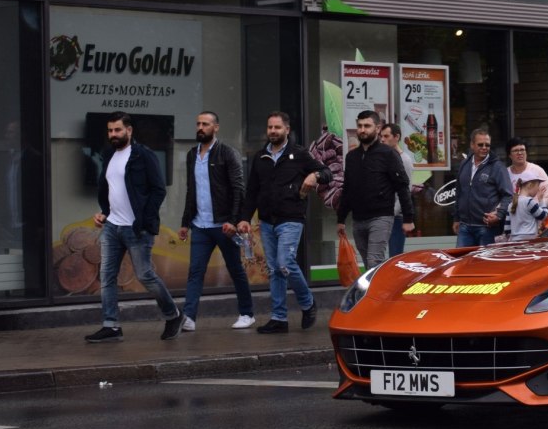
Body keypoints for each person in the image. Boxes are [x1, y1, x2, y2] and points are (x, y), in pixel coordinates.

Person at [85, 111, 181, 343]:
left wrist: (145, 220)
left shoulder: (143, 155)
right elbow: (108, 189)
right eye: (110, 131)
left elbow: (159, 189)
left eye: (118, 130)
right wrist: (104, 213)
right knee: (107, 276)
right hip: (112, 227)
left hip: (137, 228)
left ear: (129, 130)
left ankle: (173, 315)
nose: (113, 135)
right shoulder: (109, 155)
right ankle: (112, 326)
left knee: (145, 275)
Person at [238, 111, 329, 334]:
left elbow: (327, 173)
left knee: (285, 263)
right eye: (270, 127)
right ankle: (279, 318)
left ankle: (307, 303)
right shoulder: (260, 158)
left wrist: (314, 176)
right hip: (267, 221)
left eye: (277, 127)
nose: (273, 131)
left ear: (287, 130)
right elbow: (252, 192)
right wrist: (243, 218)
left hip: (291, 218)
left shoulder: (299, 154)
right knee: (274, 270)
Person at [177, 111, 253, 332]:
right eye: (198, 123)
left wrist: (233, 220)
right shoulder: (192, 154)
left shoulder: (227, 153)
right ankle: (189, 317)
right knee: (195, 271)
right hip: (200, 225)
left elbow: (238, 188)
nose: (201, 127)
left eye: (206, 124)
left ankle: (247, 313)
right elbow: (191, 191)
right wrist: (185, 222)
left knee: (235, 269)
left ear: (216, 127)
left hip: (223, 225)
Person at [337, 111, 414, 269]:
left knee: (374, 261)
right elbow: (347, 189)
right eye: (359, 126)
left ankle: (376, 293)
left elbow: (402, 186)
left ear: (377, 128)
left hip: (381, 217)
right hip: (358, 219)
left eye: (367, 126)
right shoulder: (351, 157)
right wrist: (341, 218)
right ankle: (378, 291)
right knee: (367, 264)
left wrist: (408, 218)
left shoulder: (388, 154)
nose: (362, 130)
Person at [452, 127, 512, 247]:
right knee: (462, 263)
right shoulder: (465, 164)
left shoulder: (497, 167)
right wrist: (456, 218)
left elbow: (508, 195)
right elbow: (459, 193)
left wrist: (499, 215)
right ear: (472, 145)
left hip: (486, 228)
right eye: (480, 144)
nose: (484, 148)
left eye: (487, 145)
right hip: (464, 227)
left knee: (484, 265)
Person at [379, 122, 414, 257]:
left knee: (395, 257)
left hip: (395, 217)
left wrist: (391, 212)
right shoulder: (384, 158)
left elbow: (406, 191)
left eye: (386, 136)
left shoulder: (404, 160)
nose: (382, 139)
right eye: (381, 136)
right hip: (384, 215)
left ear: (396, 137)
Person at [506, 137, 548, 208]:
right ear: (509, 155)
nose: (520, 153)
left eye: (522, 150)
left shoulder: (537, 171)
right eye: (515, 150)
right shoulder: (505, 173)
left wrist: (532, 209)